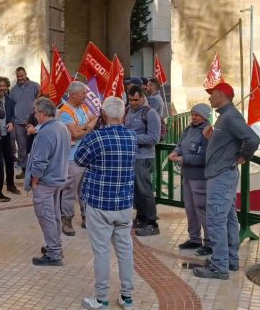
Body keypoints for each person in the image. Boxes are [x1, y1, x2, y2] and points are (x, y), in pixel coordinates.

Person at [75, 97, 137, 310]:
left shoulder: (96, 138)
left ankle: (101, 300)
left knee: (101, 251)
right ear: (122, 115)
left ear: (103, 114)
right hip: (124, 203)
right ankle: (127, 297)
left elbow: (79, 160)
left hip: (99, 202)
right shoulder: (132, 136)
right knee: (125, 249)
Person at [193, 83, 260, 280]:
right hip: (220, 175)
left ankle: (219, 266)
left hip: (222, 176)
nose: (209, 98)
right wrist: (211, 138)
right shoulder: (225, 116)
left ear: (221, 94)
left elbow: (252, 139)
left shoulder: (230, 116)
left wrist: (243, 157)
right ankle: (229, 260)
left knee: (215, 220)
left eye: (212, 94)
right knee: (228, 218)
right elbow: (225, 144)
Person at [24, 97, 71, 266]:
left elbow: (40, 162)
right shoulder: (61, 127)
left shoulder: (45, 132)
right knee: (54, 216)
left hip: (45, 181)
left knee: (46, 216)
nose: (34, 116)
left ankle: (54, 253)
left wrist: (34, 180)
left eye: (36, 112)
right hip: (58, 178)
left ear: (43, 114)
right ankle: (55, 245)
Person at [168, 104, 212, 256]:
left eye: (197, 115)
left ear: (205, 117)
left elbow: (205, 157)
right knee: (190, 209)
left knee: (202, 210)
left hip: (199, 177)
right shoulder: (189, 129)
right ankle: (195, 239)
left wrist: (183, 159)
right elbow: (180, 144)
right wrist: (175, 152)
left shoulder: (208, 132)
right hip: (187, 175)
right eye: (193, 114)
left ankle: (209, 242)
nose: (194, 117)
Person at [58, 81, 98, 236]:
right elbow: (75, 134)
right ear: (73, 94)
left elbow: (94, 118)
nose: (85, 96)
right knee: (70, 190)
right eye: (83, 94)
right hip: (72, 157)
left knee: (84, 189)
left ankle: (85, 217)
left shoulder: (83, 107)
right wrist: (88, 127)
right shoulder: (65, 111)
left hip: (84, 156)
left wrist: (83, 128)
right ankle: (66, 220)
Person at [124, 85, 161, 236]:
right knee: (136, 190)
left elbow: (154, 138)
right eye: (130, 99)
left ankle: (152, 222)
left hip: (144, 157)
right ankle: (140, 217)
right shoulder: (127, 111)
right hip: (131, 157)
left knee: (145, 190)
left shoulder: (150, 114)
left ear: (143, 97)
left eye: (135, 100)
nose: (132, 102)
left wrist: (132, 138)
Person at [9, 67, 41, 180]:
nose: (20, 78)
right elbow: (11, 106)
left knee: (36, 145)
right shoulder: (13, 90)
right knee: (22, 147)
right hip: (19, 122)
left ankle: (36, 170)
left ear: (26, 74)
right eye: (18, 76)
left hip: (34, 121)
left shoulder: (35, 86)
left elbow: (41, 99)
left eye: (21, 75)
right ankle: (23, 169)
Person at [0, 77, 20, 194]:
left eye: (4, 86)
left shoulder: (10, 101)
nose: (2, 88)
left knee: (9, 160)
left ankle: (10, 184)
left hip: (6, 135)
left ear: (7, 87)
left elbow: (12, 115)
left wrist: (11, 122)